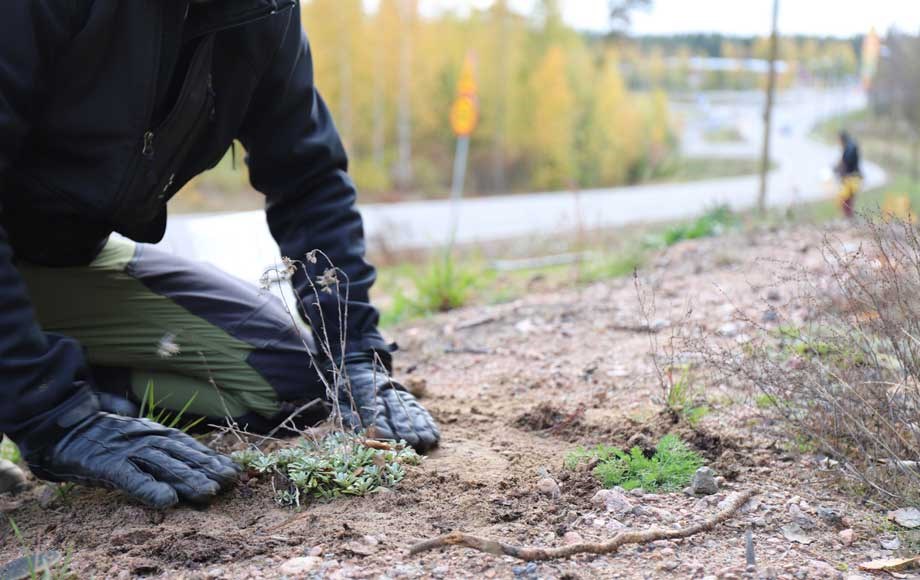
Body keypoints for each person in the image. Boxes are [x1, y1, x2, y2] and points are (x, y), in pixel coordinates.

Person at [0, 0, 439, 510]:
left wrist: (354, 352)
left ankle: (43, 380)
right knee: (41, 404)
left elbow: (308, 177)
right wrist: (53, 419)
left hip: (59, 259)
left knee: (288, 384)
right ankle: (26, 391)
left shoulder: (264, 12)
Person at [835, 130, 863, 219]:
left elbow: (846, 162)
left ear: (842, 139)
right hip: (853, 177)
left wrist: (838, 168)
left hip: (850, 178)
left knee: (846, 200)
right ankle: (849, 218)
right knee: (848, 200)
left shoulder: (850, 147)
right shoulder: (851, 146)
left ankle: (848, 218)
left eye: (838, 140)